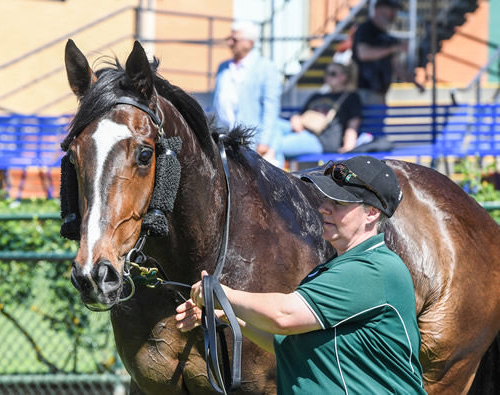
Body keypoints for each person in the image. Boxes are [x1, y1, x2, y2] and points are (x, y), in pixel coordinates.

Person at [175, 156, 426, 394]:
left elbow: (284, 315)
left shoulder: (373, 269)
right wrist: (224, 315)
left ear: (372, 213)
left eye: (338, 202)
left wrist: (222, 294)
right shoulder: (331, 270)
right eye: (326, 199)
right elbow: (284, 342)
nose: (323, 208)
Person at [212, 20, 282, 164]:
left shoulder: (265, 67)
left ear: (249, 43)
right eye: (229, 39)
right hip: (225, 140)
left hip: (253, 142)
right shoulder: (223, 67)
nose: (230, 43)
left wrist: (264, 141)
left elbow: (271, 107)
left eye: (235, 39)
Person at [276, 62, 362, 161]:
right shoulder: (317, 96)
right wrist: (295, 118)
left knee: (277, 145)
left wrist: (348, 147)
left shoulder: (351, 97)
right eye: (326, 73)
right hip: (302, 131)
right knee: (273, 124)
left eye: (333, 73)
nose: (328, 76)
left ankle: (270, 175)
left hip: (321, 140)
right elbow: (301, 115)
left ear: (344, 77)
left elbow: (353, 124)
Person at [352, 0, 411, 105]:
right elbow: (363, 54)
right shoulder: (366, 29)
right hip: (365, 90)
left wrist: (414, 82)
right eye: (391, 10)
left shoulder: (386, 35)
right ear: (378, 10)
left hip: (381, 92)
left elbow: (395, 64)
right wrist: (393, 49)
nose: (394, 14)